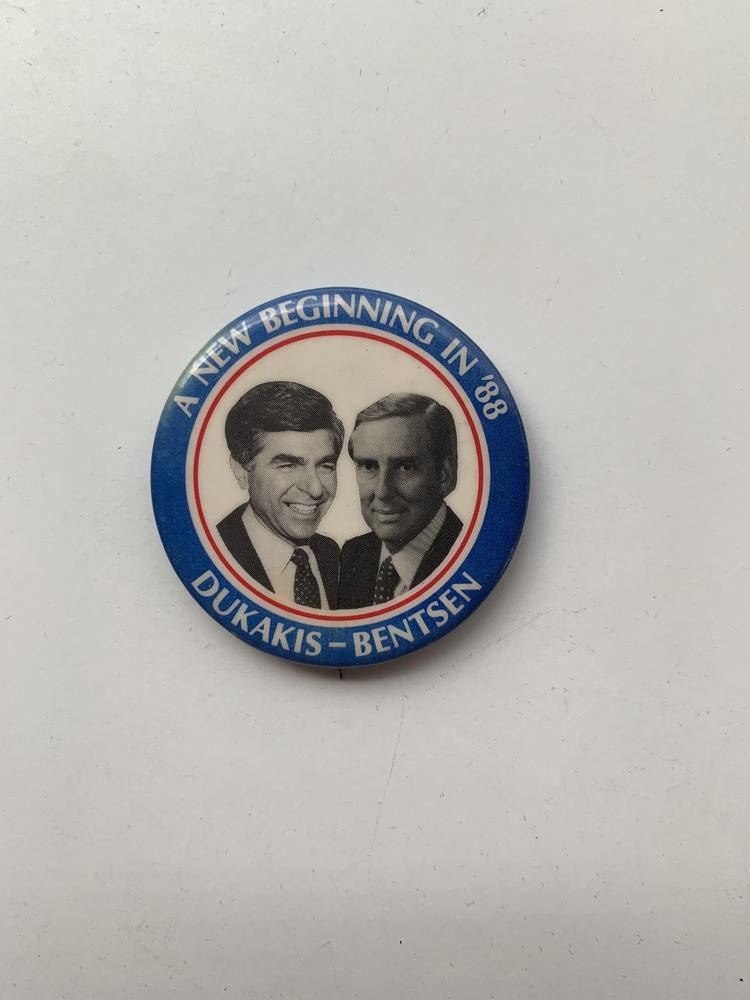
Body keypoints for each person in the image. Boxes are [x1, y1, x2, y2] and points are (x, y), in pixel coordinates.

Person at [216, 381, 343, 609]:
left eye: (326, 466)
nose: (315, 489)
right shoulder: (215, 554)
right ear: (241, 471)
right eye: (288, 465)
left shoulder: (333, 555)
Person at [338, 393, 463, 608]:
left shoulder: (468, 556)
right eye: (369, 466)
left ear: (444, 476)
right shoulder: (351, 555)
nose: (382, 491)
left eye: (405, 467)